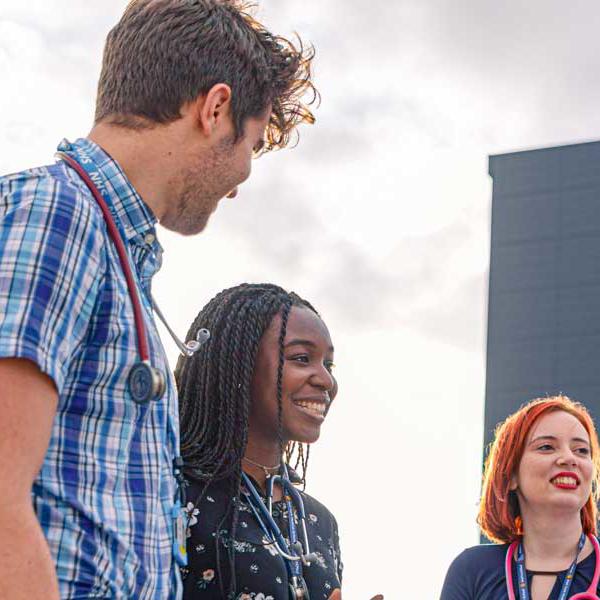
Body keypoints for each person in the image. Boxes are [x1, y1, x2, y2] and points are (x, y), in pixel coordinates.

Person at [0, 1, 317, 599]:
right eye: (249, 143)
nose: (241, 179)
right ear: (215, 109)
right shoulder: (57, 219)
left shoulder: (110, 257)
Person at [176, 283, 384, 600]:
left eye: (328, 365)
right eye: (302, 358)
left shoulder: (319, 521)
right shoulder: (172, 495)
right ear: (240, 363)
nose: (326, 380)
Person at [440, 395, 600, 600]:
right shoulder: (472, 570)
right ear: (511, 475)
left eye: (581, 450)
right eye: (546, 447)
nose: (569, 458)